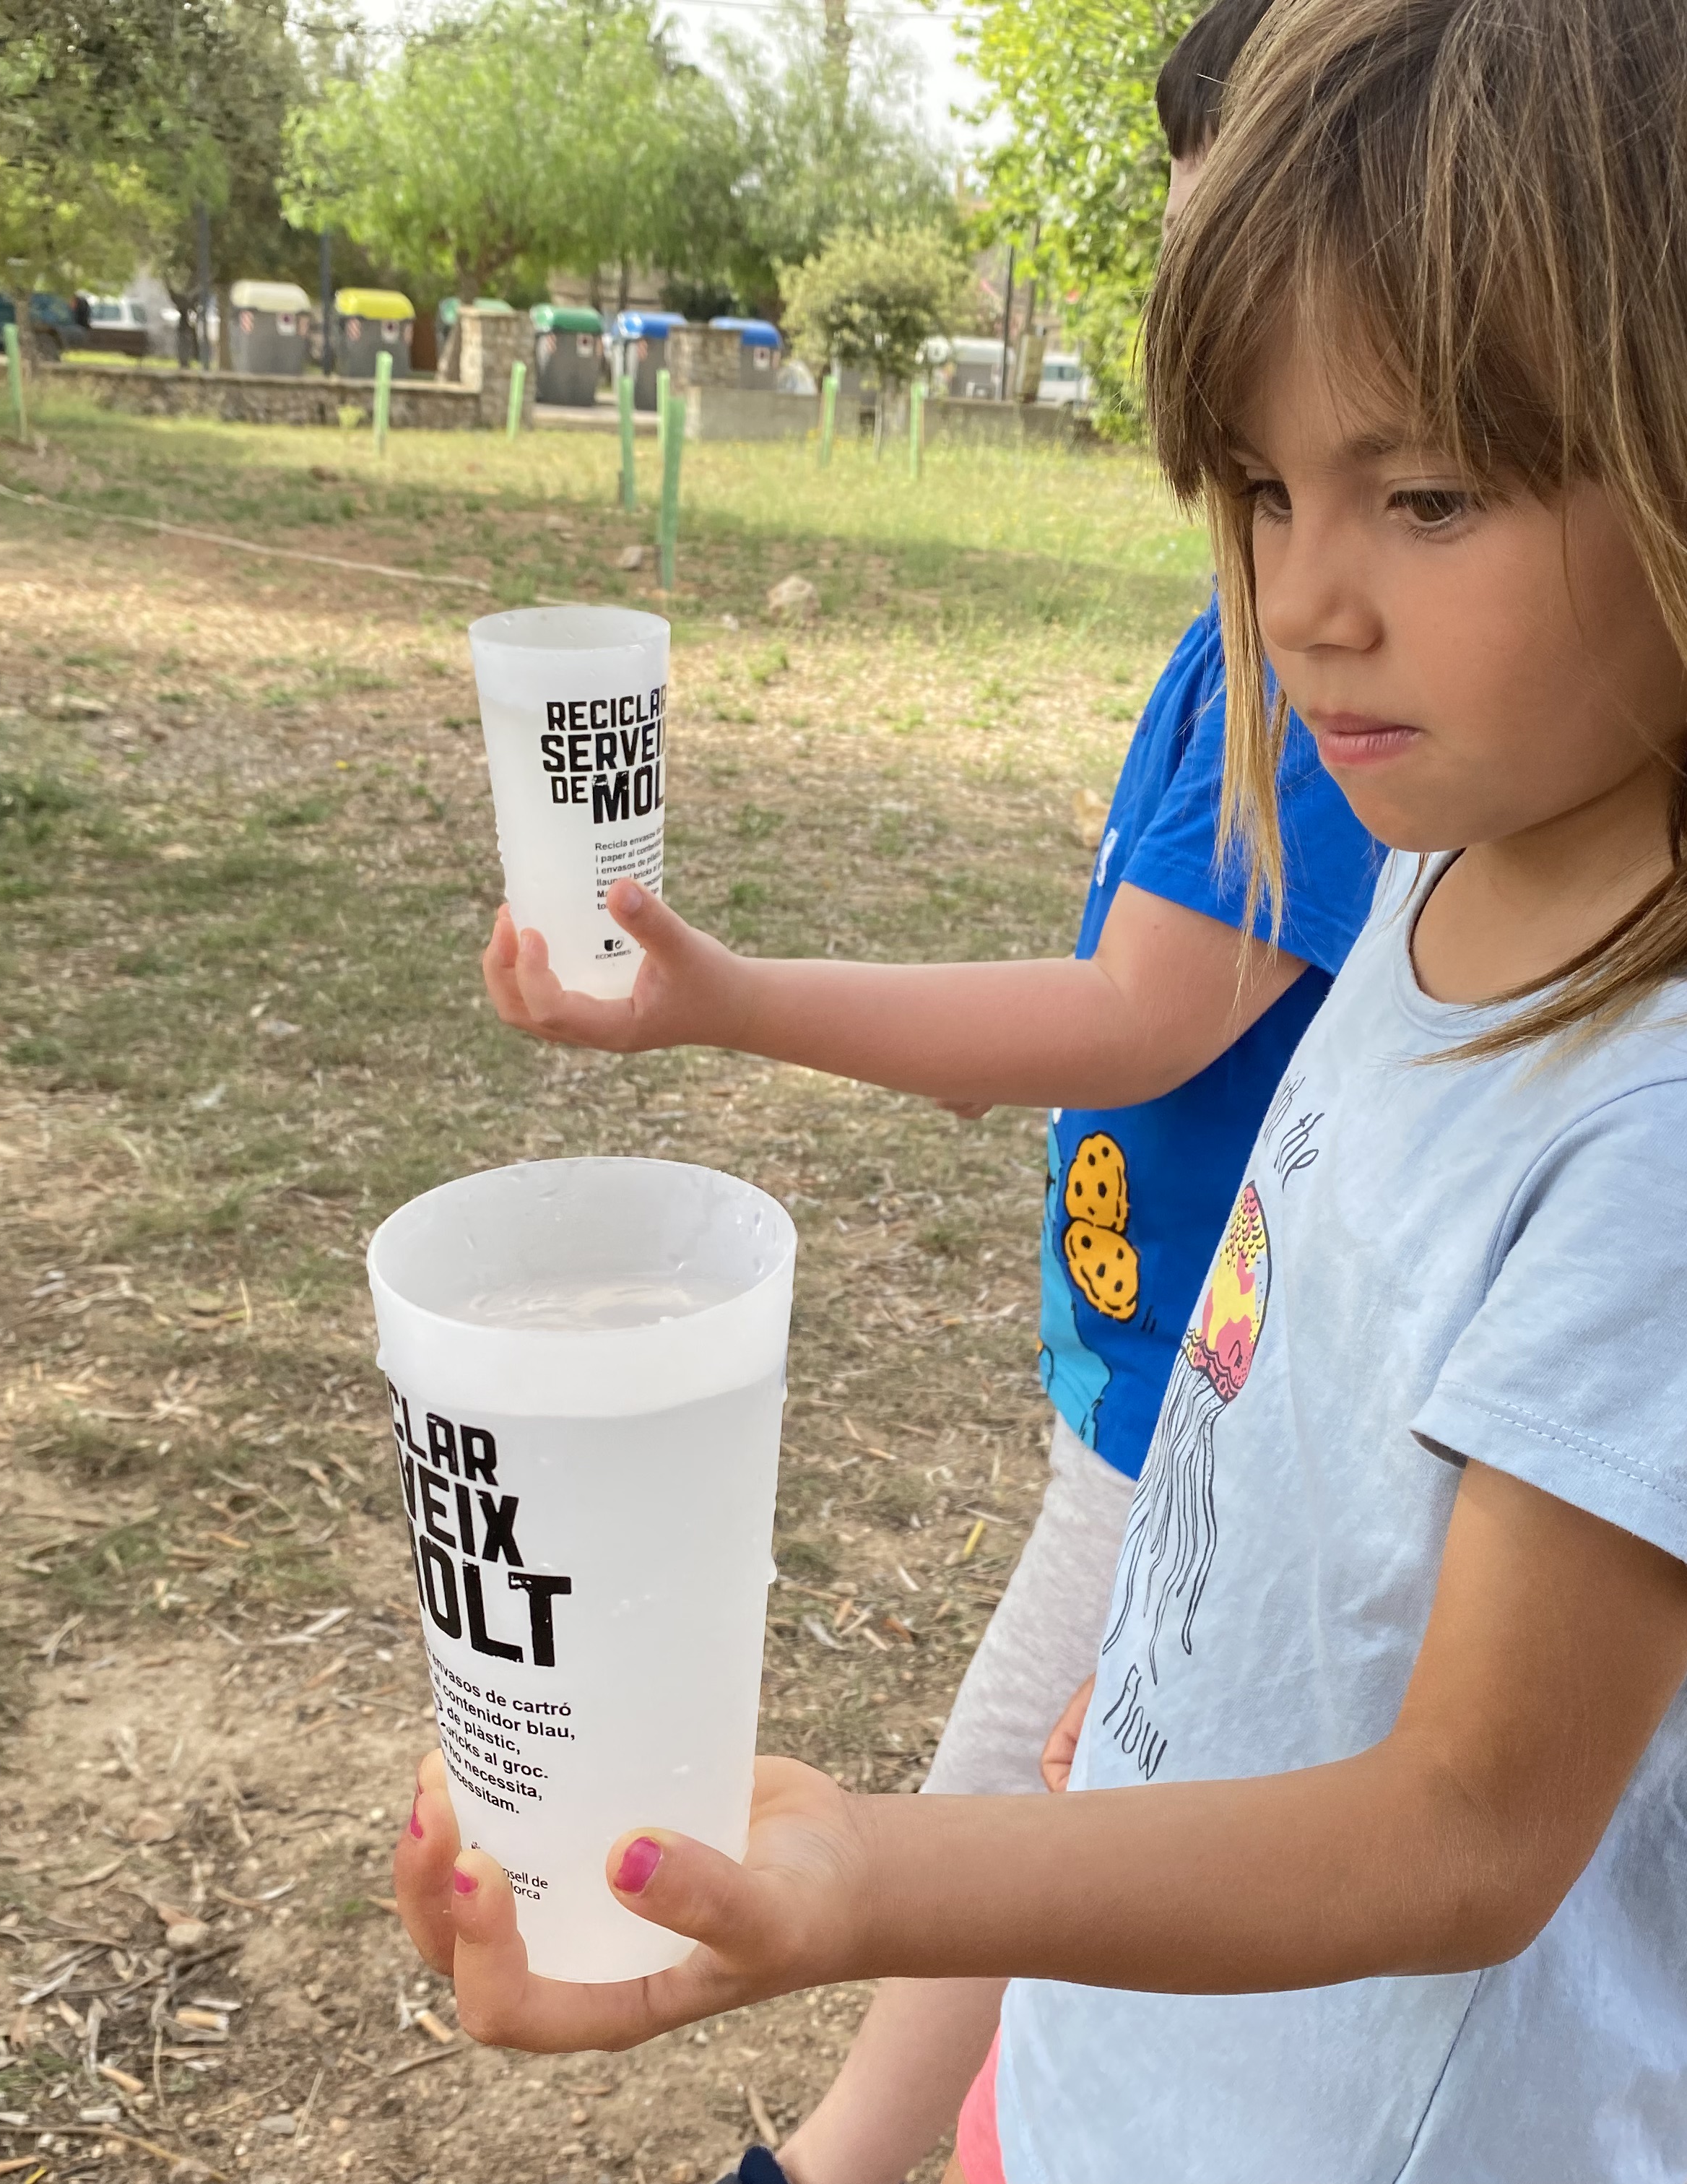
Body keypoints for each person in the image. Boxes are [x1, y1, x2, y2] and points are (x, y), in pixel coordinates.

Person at [404, 0, 1687, 2175]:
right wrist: (1130, 1720)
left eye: (1426, 493)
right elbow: (1280, 1418)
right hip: (1108, 2067)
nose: (1298, 600)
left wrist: (865, 1880)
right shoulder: (1457, 872)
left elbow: (1464, 1827)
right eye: (1265, 488)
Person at [478, 6, 1365, 2177]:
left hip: (1212, 1391)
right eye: (1187, 265)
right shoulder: (1246, 617)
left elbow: (1137, 1016)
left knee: (1019, 1792)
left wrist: (730, 1000)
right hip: (1154, 1358)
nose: (1189, 324)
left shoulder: (1334, 666)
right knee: (1033, 1773)